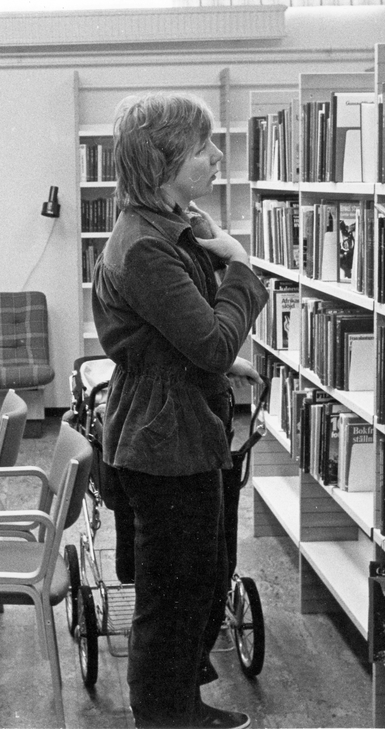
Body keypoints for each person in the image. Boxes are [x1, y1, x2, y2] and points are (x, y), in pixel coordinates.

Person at [92, 92, 268, 729]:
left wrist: (222, 363)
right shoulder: (146, 246)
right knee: (173, 595)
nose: (217, 156)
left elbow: (181, 334)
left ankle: (180, 705)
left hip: (179, 427)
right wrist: (241, 266)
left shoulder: (166, 228)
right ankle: (165, 717)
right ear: (163, 163)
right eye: (201, 148)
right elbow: (211, 340)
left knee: (199, 580)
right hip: (165, 441)